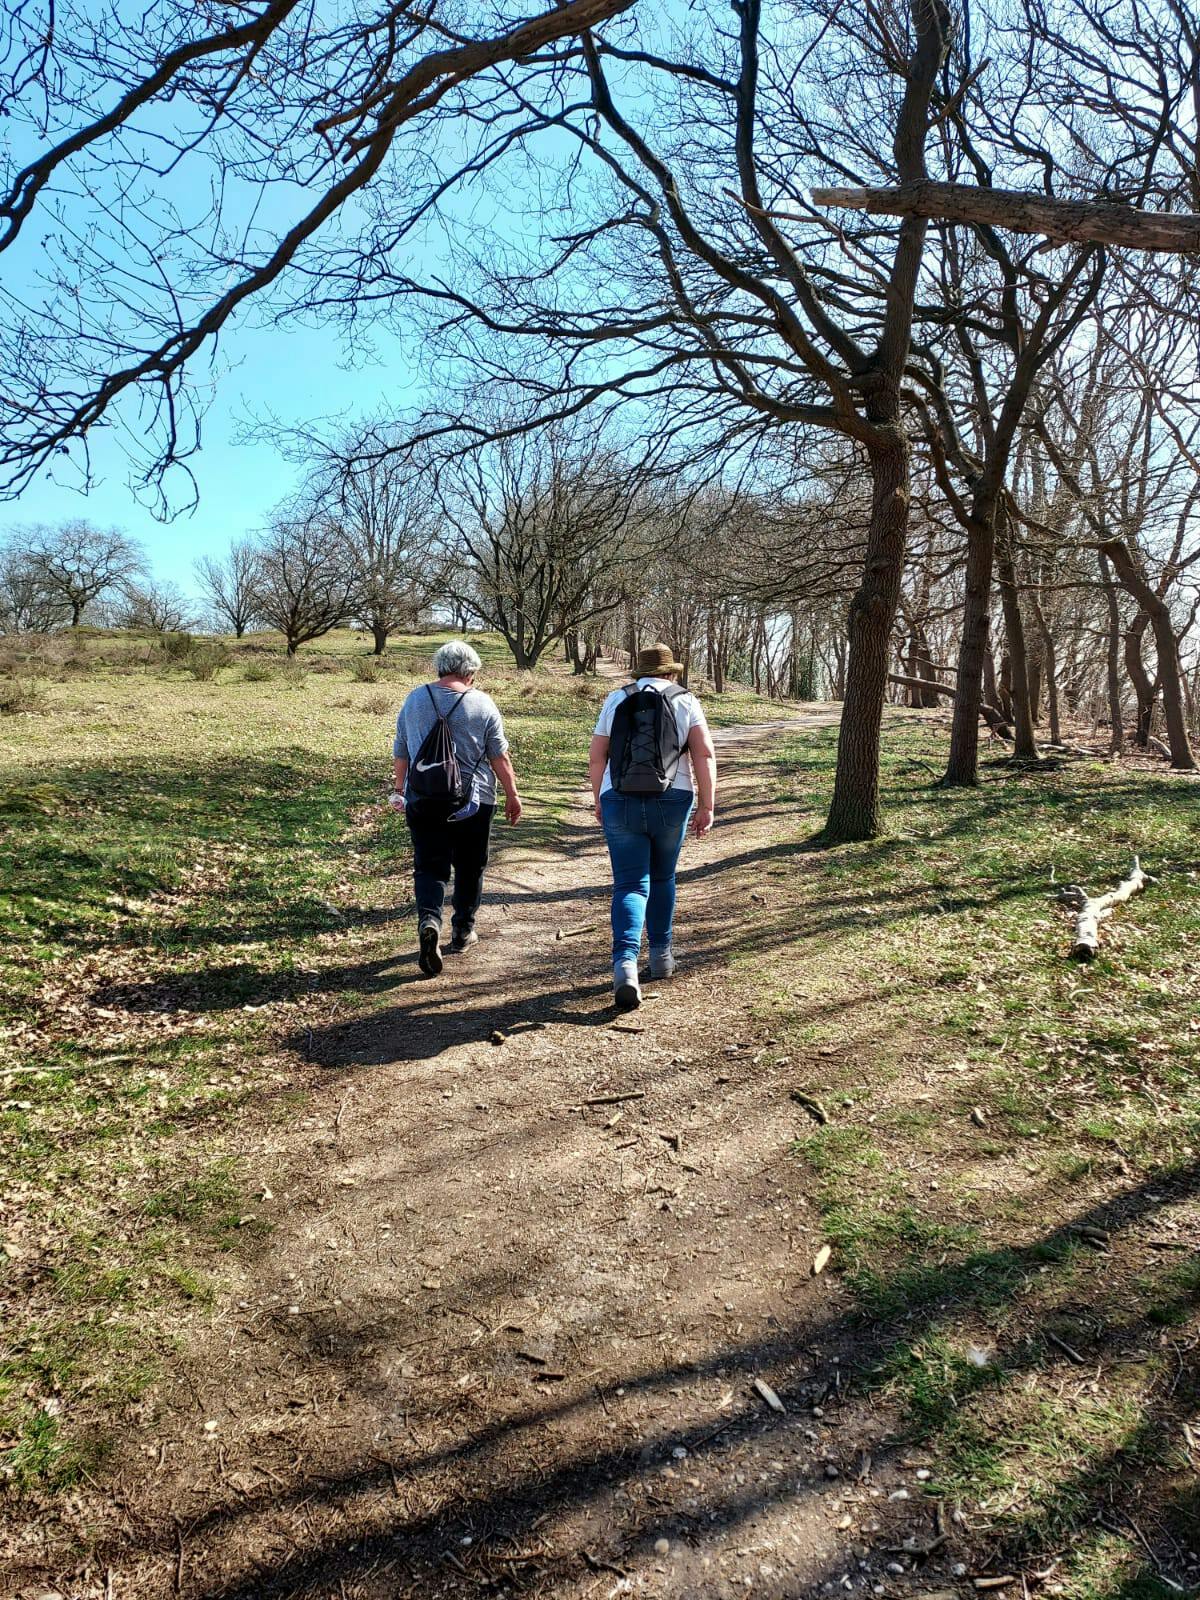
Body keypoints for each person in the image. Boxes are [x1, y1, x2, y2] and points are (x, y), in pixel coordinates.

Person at [589, 643, 716, 1011]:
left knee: (630, 883)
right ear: (671, 673)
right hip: (672, 800)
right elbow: (704, 753)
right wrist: (706, 805)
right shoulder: (685, 700)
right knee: (662, 877)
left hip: (621, 799)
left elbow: (598, 755)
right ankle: (661, 957)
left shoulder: (617, 699)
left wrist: (600, 797)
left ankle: (625, 965)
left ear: (639, 672)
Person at [391, 641, 522, 976]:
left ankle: (429, 920)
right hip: (474, 801)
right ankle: (462, 931)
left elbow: (402, 750)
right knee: (469, 866)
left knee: (429, 866)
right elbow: (498, 756)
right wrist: (512, 794)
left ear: (440, 667)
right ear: (471, 672)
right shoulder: (482, 703)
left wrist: (399, 790)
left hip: (422, 799)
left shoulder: (415, 699)